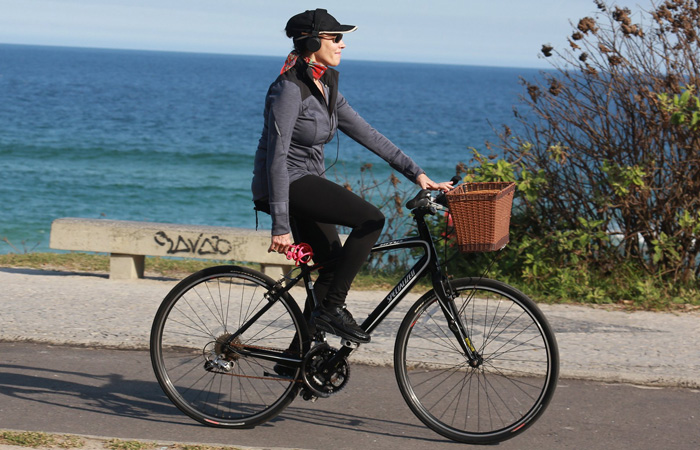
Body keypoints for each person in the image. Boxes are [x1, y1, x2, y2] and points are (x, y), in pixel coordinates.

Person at [251, 8, 452, 344]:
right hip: (285, 183)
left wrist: (416, 173)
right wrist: (281, 226)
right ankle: (332, 309)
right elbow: (277, 158)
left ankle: (296, 360)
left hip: (306, 181)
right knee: (371, 220)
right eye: (336, 38)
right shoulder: (288, 90)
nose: (342, 45)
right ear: (312, 41)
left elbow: (366, 132)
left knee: (331, 266)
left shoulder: (325, 82)